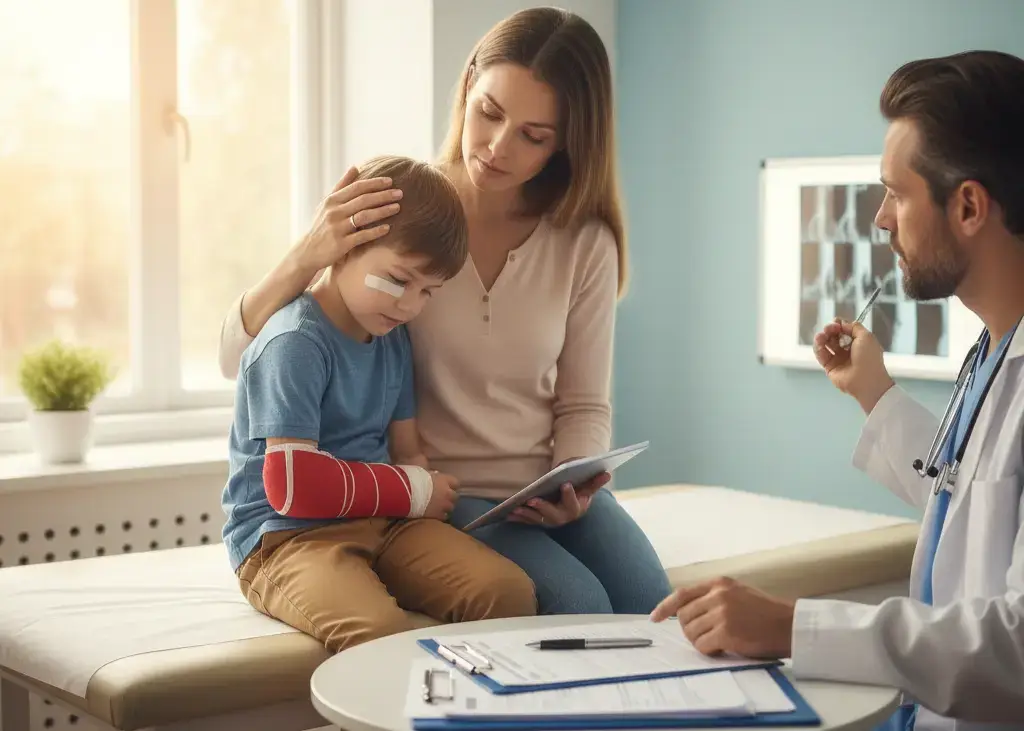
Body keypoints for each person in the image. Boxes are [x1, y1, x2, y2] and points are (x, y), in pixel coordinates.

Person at [218, 7, 671, 615]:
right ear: (467, 88)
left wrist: (575, 485)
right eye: (489, 112)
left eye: (533, 136)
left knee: (653, 606)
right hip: (445, 492)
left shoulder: (586, 241)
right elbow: (234, 356)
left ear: (566, 143)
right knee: (579, 602)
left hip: (544, 488)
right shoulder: (406, 209)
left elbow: (584, 403)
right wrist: (307, 253)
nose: (497, 147)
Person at [650, 51, 1024, 729]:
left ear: (968, 205)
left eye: (897, 193)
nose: (882, 220)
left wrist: (798, 625)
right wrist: (875, 394)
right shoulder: (995, 349)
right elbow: (972, 492)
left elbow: (1019, 648)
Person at [221, 155, 537, 653]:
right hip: (286, 539)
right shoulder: (295, 342)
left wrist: (422, 494)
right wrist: (414, 490)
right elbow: (294, 486)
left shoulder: (392, 337)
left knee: (508, 593)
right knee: (381, 639)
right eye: (397, 280)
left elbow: (406, 447)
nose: (410, 304)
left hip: (385, 523)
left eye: (428, 291)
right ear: (345, 246)